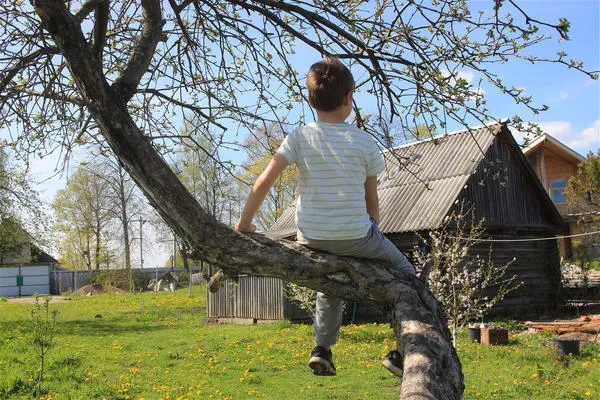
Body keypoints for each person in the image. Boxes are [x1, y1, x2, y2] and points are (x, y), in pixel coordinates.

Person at [234, 57, 415, 377]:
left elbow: (263, 182)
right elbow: (371, 200)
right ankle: (403, 353)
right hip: (357, 236)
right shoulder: (364, 141)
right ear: (349, 98)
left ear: (311, 100)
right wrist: (373, 233)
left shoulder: (299, 137)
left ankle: (322, 349)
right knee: (405, 271)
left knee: (328, 284)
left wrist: (243, 225)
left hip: (312, 237)